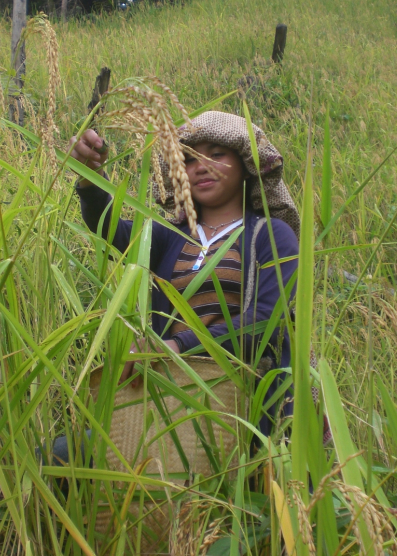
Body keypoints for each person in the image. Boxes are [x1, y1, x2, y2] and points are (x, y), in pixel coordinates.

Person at [70, 110, 301, 437]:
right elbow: (109, 229)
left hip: (244, 410)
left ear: (246, 165)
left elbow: (267, 320)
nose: (201, 166)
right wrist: (89, 175)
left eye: (217, 154)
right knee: (63, 454)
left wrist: (177, 346)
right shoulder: (169, 236)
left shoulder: (271, 235)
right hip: (168, 401)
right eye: (189, 159)